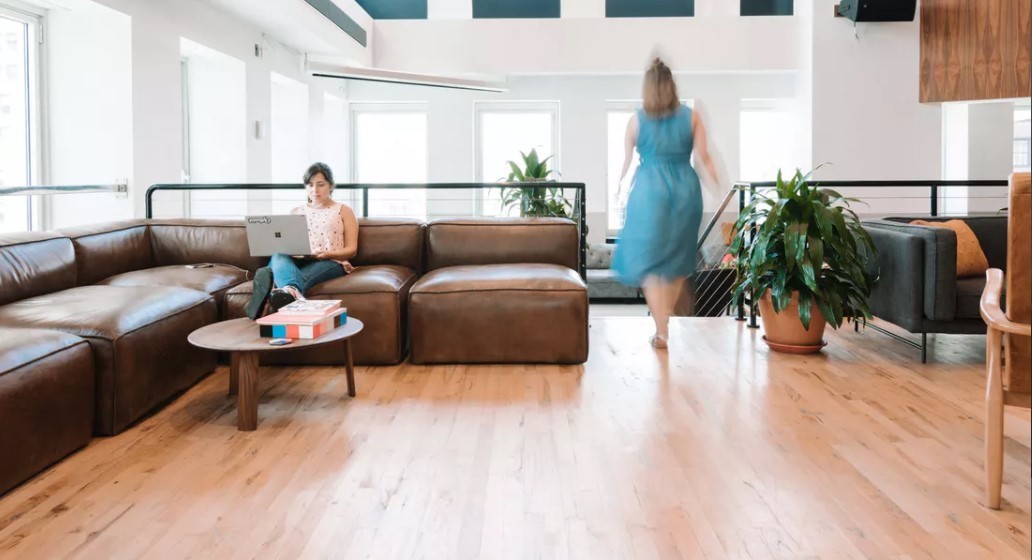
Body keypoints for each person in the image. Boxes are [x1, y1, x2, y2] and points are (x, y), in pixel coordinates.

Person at [611, 57, 722, 349]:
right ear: (672, 86)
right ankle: (667, 318)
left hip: (649, 191)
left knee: (650, 265)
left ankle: (662, 328)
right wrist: (718, 185)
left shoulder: (636, 120)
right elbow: (704, 158)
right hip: (685, 192)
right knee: (676, 262)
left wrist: (619, 184)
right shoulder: (692, 116)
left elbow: (626, 161)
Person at [246, 162, 359, 320]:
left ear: (331, 186)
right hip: (298, 259)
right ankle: (291, 294)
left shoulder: (343, 210)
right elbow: (287, 241)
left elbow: (352, 250)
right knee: (279, 254)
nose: (315, 190)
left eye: (321, 184)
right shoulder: (297, 211)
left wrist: (327, 254)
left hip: (331, 261)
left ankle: (274, 290)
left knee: (292, 275)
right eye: (310, 185)